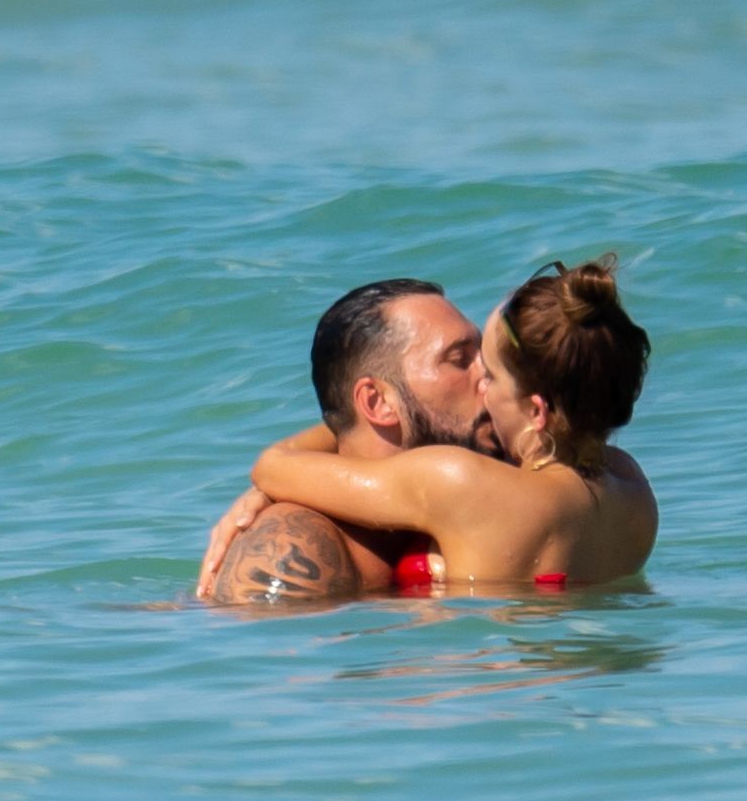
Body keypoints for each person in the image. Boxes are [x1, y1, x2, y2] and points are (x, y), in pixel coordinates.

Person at [246, 255, 655, 590]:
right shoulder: (633, 488)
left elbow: (274, 465)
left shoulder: (459, 481)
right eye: (463, 360)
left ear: (536, 411)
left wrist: (267, 489)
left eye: (491, 373)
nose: (482, 386)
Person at [197, 278, 497, 603]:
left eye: (483, 354)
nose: (491, 374)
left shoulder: (490, 476)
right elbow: (259, 632)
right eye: (459, 360)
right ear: (377, 402)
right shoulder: (299, 544)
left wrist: (282, 469)